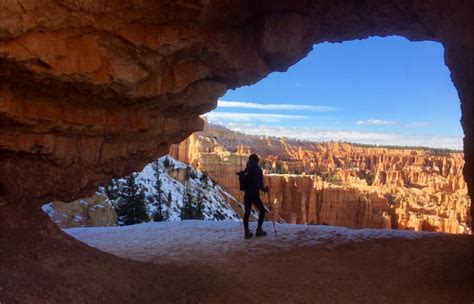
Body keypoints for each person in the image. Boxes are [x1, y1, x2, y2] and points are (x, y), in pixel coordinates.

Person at [241, 154, 269, 239]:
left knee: (247, 213)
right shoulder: (258, 170)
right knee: (262, 211)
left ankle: (246, 232)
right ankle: (259, 230)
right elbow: (259, 184)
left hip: (247, 194)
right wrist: (265, 190)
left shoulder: (247, 169)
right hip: (255, 194)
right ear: (257, 161)